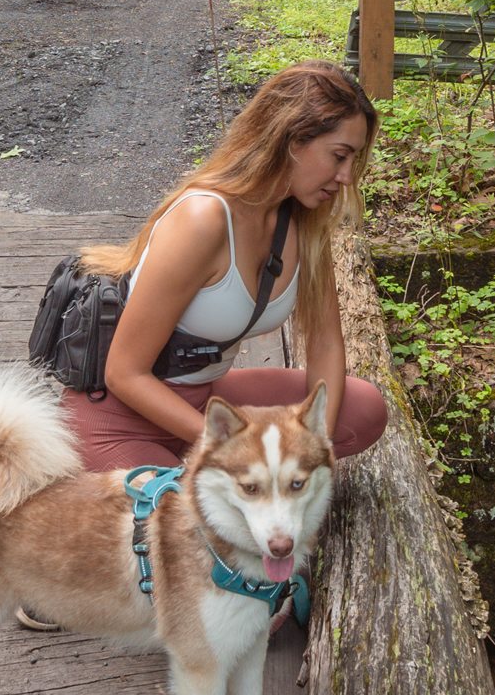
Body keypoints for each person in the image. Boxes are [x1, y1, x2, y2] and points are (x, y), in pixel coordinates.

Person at [59, 59, 390, 473]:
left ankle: (194, 459)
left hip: (205, 399)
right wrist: (235, 448)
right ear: (291, 139)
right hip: (120, 419)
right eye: (339, 156)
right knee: (203, 529)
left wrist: (315, 444)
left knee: (363, 410)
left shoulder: (303, 223)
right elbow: (124, 374)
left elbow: (324, 342)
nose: (345, 176)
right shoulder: (204, 219)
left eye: (352, 161)